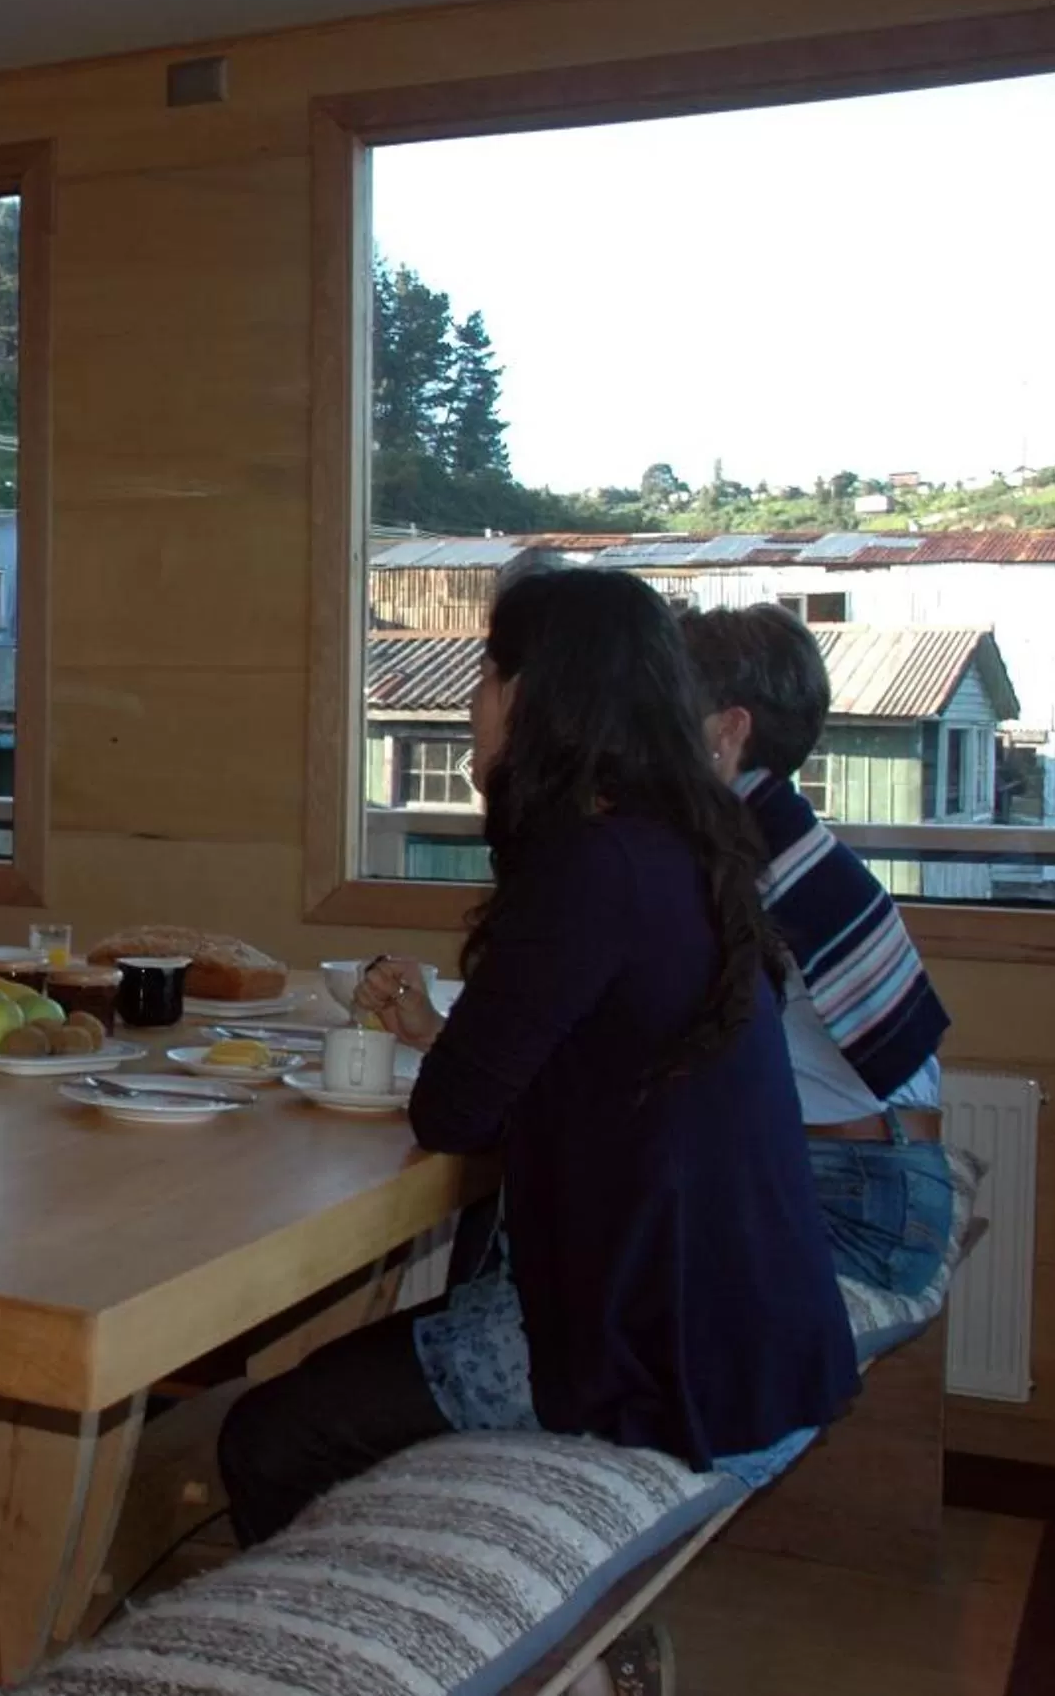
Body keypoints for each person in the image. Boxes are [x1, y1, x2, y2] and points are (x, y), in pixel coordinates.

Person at [219, 569, 858, 1696]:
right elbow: (573, 1064)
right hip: (753, 1327)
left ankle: (333, 1657)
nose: (471, 707)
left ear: (541, 699)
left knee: (271, 1433)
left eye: (485, 678)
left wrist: (443, 1044)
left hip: (665, 1355)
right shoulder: (685, 850)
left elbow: (454, 1110)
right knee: (356, 1380)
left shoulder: (590, 866)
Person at [681, 603, 956, 1297]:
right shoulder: (792, 842)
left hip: (855, 1198)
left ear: (727, 731)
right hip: (893, 1174)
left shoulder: (739, 863)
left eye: (664, 705)